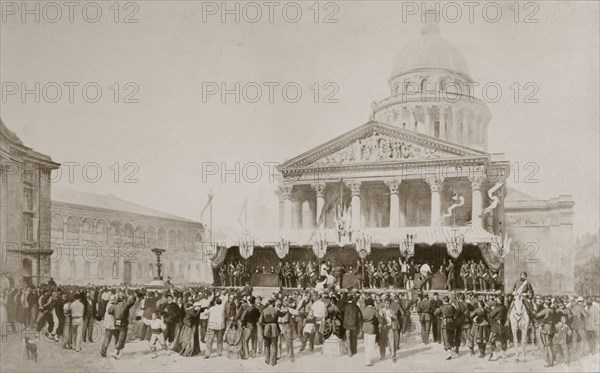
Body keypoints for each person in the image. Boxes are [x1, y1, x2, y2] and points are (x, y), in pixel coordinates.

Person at [107, 290, 137, 359]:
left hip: (116, 324)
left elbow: (109, 311)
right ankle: (116, 352)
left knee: (117, 338)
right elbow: (131, 302)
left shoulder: (114, 306)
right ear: (123, 299)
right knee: (122, 339)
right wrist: (134, 295)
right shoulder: (125, 305)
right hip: (123, 324)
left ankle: (119, 352)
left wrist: (114, 305)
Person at [258, 297, 285, 366]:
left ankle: (267, 360)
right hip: (274, 328)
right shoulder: (276, 310)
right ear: (273, 303)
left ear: (268, 303)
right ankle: (273, 362)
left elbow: (260, 321)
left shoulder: (264, 310)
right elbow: (283, 315)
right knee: (274, 345)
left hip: (266, 328)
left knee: (266, 344)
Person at [536, 299, 555, 367]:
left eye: (544, 303)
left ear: (546, 304)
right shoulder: (552, 310)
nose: (543, 304)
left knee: (548, 346)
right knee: (549, 345)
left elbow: (537, 315)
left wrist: (533, 310)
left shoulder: (545, 310)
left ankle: (550, 363)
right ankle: (549, 360)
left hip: (546, 329)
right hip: (551, 328)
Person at [488, 295, 508, 361]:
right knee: (503, 340)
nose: (495, 299)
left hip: (496, 325)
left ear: (499, 300)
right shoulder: (504, 307)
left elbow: (491, 315)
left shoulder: (497, 307)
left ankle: (495, 356)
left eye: (497, 298)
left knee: (491, 340)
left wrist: (490, 309)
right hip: (503, 325)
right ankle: (504, 354)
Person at [361, 297, 378, 367]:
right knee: (371, 345)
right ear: (372, 303)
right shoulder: (374, 310)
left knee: (366, 344)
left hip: (365, 328)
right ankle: (368, 360)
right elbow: (379, 319)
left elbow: (361, 318)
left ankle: (366, 359)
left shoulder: (363, 310)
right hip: (371, 328)